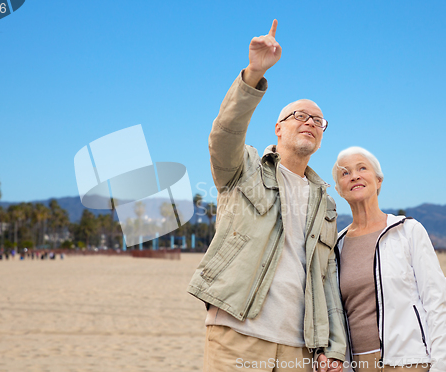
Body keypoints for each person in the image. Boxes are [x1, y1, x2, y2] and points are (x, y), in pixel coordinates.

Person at [187, 19, 345, 372]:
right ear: (278, 128)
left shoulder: (327, 203)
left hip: (299, 348)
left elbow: (326, 276)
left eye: (319, 121)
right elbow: (224, 134)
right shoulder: (245, 169)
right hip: (237, 333)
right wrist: (253, 74)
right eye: (300, 116)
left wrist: (332, 346)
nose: (311, 123)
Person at [331, 146, 446, 372]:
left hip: (409, 363)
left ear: (379, 180)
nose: (354, 175)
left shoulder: (408, 231)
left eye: (362, 168)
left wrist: (440, 365)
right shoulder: (335, 245)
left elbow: (437, 302)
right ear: (339, 189)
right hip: (357, 366)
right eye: (345, 173)